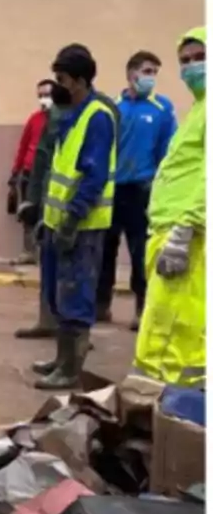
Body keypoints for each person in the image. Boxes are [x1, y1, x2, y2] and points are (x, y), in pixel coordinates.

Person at [14, 44, 119, 340]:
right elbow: (49, 159)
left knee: (76, 292)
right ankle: (60, 354)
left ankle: (71, 365)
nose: (55, 88)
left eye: (61, 80)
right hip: (56, 218)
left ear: (79, 80)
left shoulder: (99, 114)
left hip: (81, 222)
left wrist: (72, 218)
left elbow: (94, 174)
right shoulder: (68, 113)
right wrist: (38, 207)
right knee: (57, 288)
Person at [132, 27, 205, 388]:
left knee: (175, 327)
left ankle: (173, 401)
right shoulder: (197, 111)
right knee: (161, 319)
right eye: (186, 61)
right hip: (167, 231)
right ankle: (153, 399)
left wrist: (186, 228)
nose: (192, 67)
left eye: (199, 58)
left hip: (186, 236)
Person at [96, 51, 176, 328]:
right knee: (106, 250)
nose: (150, 78)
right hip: (113, 190)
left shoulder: (162, 109)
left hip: (143, 190)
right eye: (147, 71)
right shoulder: (114, 107)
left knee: (141, 252)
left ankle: (142, 308)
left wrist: (160, 187)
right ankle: (101, 305)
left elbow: (168, 152)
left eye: (154, 72)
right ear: (131, 74)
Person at [9, 79, 55, 263]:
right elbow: (23, 145)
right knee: (28, 212)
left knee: (47, 214)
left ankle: (46, 252)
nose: (44, 99)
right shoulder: (34, 119)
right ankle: (28, 252)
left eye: (48, 95)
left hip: (49, 174)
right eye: (41, 96)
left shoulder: (61, 120)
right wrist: (15, 172)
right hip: (29, 172)